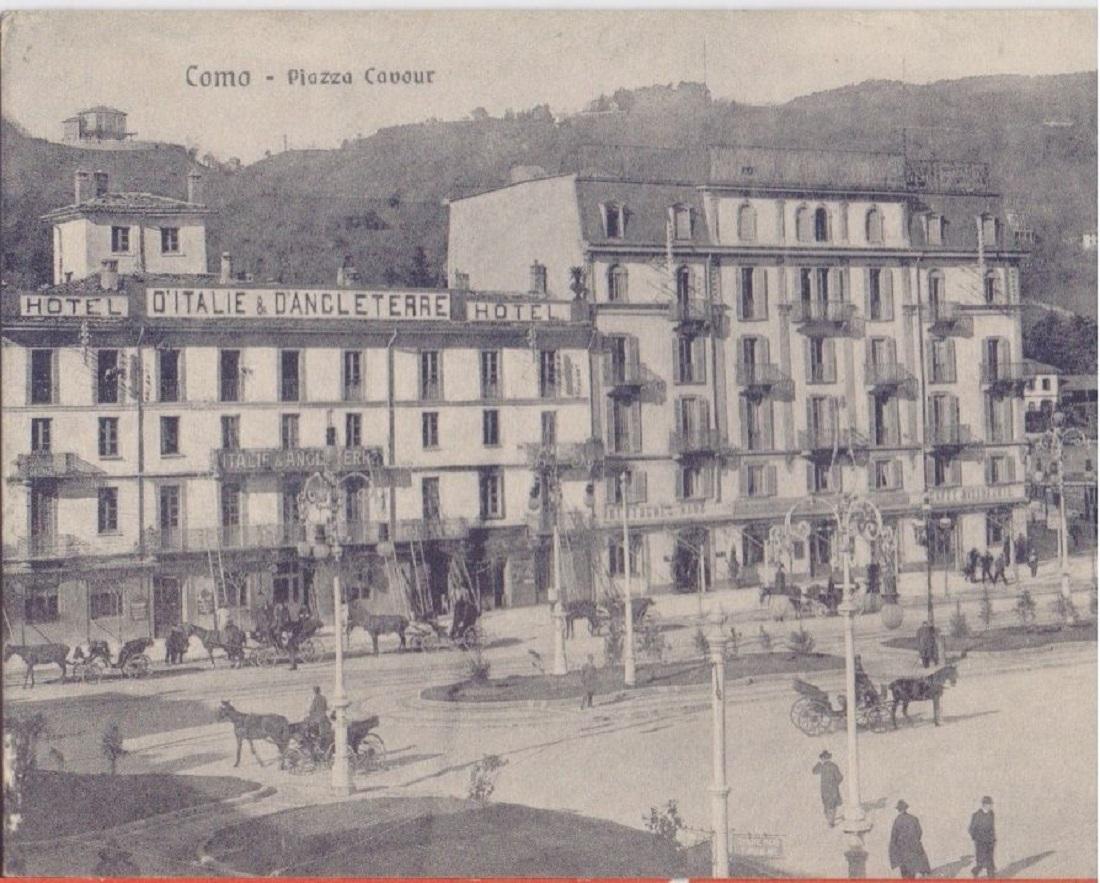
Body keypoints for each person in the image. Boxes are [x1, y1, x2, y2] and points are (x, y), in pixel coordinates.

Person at [889, 800, 931, 878]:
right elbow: (919, 832)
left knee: (906, 875)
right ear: (906, 808)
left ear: (898, 810)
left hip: (903, 852)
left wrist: (895, 854)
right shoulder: (913, 818)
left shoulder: (897, 821)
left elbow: (893, 838)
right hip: (915, 849)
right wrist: (914, 841)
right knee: (916, 871)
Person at [812, 749, 843, 827]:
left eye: (824, 758)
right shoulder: (832, 766)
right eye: (823, 758)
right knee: (831, 805)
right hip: (831, 789)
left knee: (828, 804)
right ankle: (830, 820)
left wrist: (819, 763)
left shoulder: (826, 766)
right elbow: (840, 777)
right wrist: (836, 784)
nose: (824, 759)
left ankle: (830, 821)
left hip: (826, 789)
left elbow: (814, 771)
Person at [968, 796, 996, 878]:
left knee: (989, 861)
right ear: (984, 805)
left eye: (991, 804)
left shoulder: (991, 814)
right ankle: (975, 871)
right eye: (988, 804)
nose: (990, 806)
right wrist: (976, 838)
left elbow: (992, 827)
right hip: (980, 842)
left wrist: (993, 838)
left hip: (990, 842)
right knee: (980, 862)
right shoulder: (976, 815)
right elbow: (971, 829)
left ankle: (991, 877)